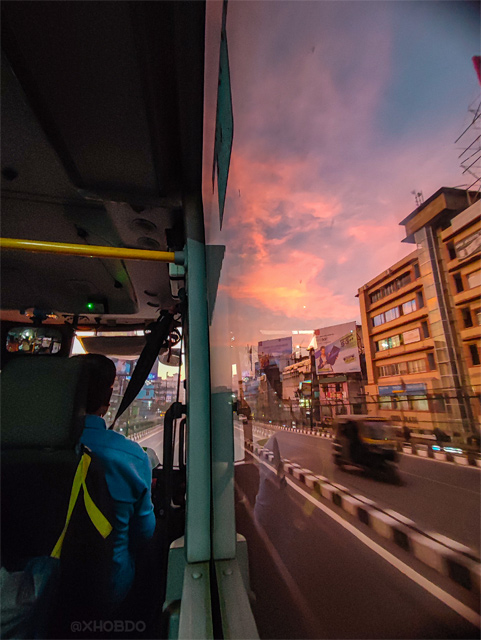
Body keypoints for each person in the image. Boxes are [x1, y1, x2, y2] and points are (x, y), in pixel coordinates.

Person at [77, 354, 156, 609]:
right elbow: (144, 534)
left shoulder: (25, 448)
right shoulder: (131, 457)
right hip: (108, 588)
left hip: (33, 586)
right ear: (108, 398)